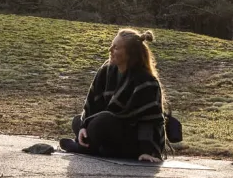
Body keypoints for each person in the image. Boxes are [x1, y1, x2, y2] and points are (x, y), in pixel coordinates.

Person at [60, 29, 168, 162]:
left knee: (102, 121)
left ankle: (83, 147)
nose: (110, 49)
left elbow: (150, 121)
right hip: (106, 131)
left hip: (133, 141)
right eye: (112, 45)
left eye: (116, 47)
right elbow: (92, 105)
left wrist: (148, 151)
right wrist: (83, 126)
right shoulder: (106, 71)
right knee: (78, 120)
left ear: (129, 54)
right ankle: (93, 145)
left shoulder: (146, 81)